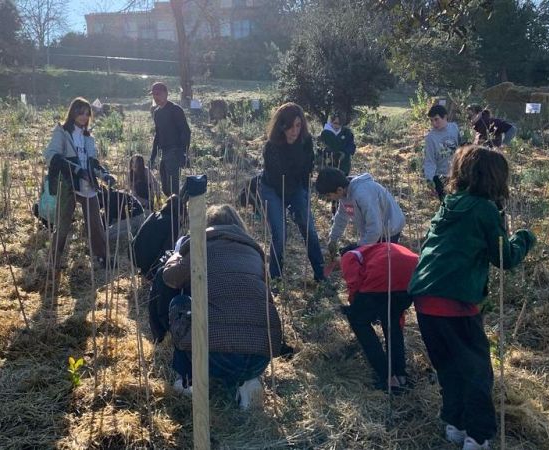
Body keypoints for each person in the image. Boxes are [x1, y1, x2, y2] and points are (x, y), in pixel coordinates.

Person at [408, 146, 536, 450]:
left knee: (449, 366)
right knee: (477, 371)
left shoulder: (450, 203)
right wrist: (525, 238)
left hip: (425, 299)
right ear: (495, 179)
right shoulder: (484, 209)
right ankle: (477, 437)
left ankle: (455, 422)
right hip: (457, 302)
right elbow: (504, 257)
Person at [162, 204, 282, 409]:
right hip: (260, 356)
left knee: (180, 303)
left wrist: (176, 255)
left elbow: (169, 278)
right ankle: (248, 380)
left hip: (214, 356)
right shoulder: (255, 252)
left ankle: (187, 380)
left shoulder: (200, 245)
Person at [43, 97, 115, 271]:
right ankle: (53, 261)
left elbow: (93, 162)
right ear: (72, 113)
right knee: (63, 224)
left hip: (87, 183)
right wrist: (75, 170)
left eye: (86, 113)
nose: (83, 116)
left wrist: (105, 175)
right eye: (79, 112)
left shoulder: (88, 136)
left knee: (96, 223)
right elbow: (51, 154)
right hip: (68, 183)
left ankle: (103, 258)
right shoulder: (62, 131)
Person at [258, 102, 325, 282]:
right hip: (272, 189)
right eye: (289, 126)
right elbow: (277, 177)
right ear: (281, 126)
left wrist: (301, 201)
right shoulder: (271, 147)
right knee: (280, 234)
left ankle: (321, 275)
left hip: (295, 187)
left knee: (308, 227)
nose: (294, 131)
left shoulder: (306, 142)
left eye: (298, 125)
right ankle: (276, 278)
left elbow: (307, 170)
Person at [339, 243, 418, 392]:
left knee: (358, 321)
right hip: (412, 278)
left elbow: (354, 284)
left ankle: (387, 377)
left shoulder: (351, 255)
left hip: (383, 277)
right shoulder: (377, 249)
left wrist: (354, 306)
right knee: (392, 324)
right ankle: (400, 375)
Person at [315, 167, 405, 258]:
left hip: (390, 229)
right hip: (374, 231)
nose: (328, 198)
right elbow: (341, 217)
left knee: (381, 262)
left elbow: (375, 228)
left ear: (339, 190)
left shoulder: (362, 194)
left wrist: (359, 248)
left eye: (328, 195)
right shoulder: (344, 196)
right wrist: (333, 239)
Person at [131, 193, 186, 280]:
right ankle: (152, 273)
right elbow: (168, 249)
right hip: (148, 261)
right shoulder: (173, 222)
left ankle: (146, 270)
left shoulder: (153, 215)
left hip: (134, 255)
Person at [149, 82, 191, 196]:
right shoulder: (157, 113)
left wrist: (183, 152)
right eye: (154, 94)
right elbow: (157, 135)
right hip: (164, 152)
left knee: (173, 190)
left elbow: (186, 132)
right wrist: (152, 157)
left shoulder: (175, 110)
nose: (156, 97)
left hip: (175, 151)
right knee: (166, 189)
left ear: (166, 94)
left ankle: (179, 211)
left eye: (158, 94)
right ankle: (180, 204)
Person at [424, 104, 460, 201]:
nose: (434, 123)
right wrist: (429, 179)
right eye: (431, 120)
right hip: (441, 177)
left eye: (436, 119)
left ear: (445, 117)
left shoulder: (455, 128)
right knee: (446, 203)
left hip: (457, 174)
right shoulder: (430, 138)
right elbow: (430, 160)